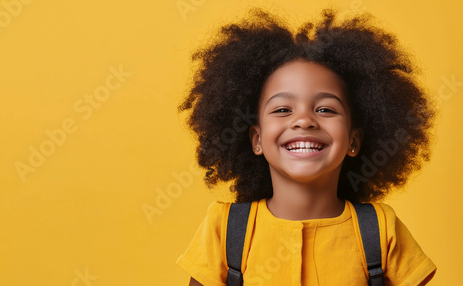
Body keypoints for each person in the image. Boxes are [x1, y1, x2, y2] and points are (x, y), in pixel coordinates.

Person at [176, 7, 437, 286]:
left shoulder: (381, 231)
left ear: (353, 141)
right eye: (282, 109)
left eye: (325, 109)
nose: (304, 120)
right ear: (257, 140)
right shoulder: (225, 229)